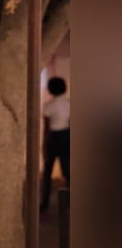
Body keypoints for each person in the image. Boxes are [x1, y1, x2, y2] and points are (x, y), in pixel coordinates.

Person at [40, 76, 70, 213]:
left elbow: (46, 127)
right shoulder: (69, 103)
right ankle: (69, 201)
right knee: (67, 171)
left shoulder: (48, 105)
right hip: (66, 136)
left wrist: (44, 145)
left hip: (53, 137)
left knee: (47, 172)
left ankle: (45, 202)